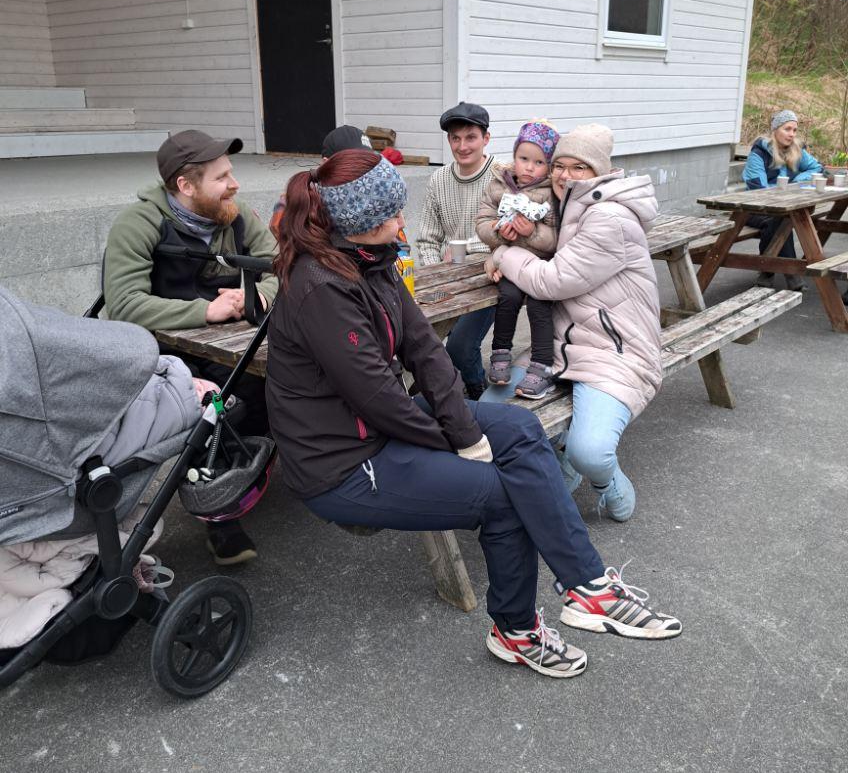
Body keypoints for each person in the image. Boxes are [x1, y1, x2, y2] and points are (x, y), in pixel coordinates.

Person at [264, 148, 681, 681]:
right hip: (341, 460)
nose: (402, 220)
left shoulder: (372, 258)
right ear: (360, 221)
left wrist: (465, 429)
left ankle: (587, 585)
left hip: (373, 426)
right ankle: (517, 631)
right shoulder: (321, 286)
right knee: (502, 497)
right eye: (392, 213)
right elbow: (379, 399)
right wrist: (460, 444)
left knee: (521, 427)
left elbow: (425, 349)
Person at [103, 129, 279, 564]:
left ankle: (245, 475)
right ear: (186, 185)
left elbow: (281, 265)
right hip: (164, 352)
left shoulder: (235, 215)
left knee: (275, 381)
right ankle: (219, 515)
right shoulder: (138, 224)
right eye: (222, 177)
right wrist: (206, 311)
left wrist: (260, 295)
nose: (234, 184)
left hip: (232, 345)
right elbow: (123, 304)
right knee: (216, 404)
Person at [483, 124, 661, 526]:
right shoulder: (566, 208)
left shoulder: (610, 218)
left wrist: (502, 255)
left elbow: (552, 280)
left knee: (590, 451)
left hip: (614, 351)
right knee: (490, 411)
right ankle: (557, 463)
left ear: (599, 172)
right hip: (558, 347)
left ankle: (607, 483)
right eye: (559, 165)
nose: (565, 175)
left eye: (579, 167)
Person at [416, 102, 496, 399]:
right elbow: (427, 239)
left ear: (486, 138)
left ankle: (477, 396)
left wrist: (465, 247)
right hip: (448, 278)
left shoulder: (502, 176)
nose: (462, 146)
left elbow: (511, 234)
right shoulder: (439, 179)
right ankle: (443, 395)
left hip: (490, 275)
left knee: (460, 347)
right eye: (455, 138)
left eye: (470, 137)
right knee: (421, 341)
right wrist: (435, 277)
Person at [475, 120, 559, 399]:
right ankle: (500, 353)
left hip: (539, 264)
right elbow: (482, 221)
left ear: (549, 166)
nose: (529, 167)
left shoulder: (551, 193)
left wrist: (532, 232)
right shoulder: (499, 184)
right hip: (510, 263)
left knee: (539, 304)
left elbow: (557, 236)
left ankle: (542, 365)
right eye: (524, 159)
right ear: (514, 156)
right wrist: (497, 232)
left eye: (539, 162)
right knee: (508, 297)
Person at [742, 109, 823, 291]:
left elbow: (818, 168)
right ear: (775, 129)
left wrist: (796, 182)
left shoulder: (795, 149)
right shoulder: (759, 153)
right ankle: (791, 274)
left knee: (782, 219)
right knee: (780, 220)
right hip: (754, 208)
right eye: (787, 129)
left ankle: (767, 272)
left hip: (783, 208)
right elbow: (758, 188)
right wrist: (782, 191)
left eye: (794, 130)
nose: (792, 134)